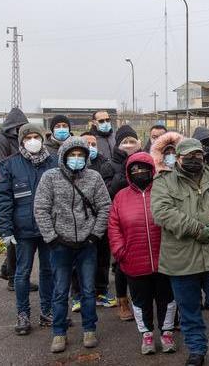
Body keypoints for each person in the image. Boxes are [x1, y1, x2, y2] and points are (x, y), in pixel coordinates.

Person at [151, 138, 209, 366]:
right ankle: (196, 351)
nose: (194, 160)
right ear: (178, 158)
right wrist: (197, 230)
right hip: (182, 260)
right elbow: (162, 212)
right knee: (189, 310)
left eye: (198, 156)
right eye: (189, 157)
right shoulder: (164, 182)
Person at [34, 136, 112, 354]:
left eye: (80, 155)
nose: (76, 158)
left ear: (86, 158)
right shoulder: (50, 177)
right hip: (60, 244)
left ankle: (89, 329)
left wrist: (95, 235)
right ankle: (59, 332)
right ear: (64, 156)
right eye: (72, 155)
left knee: (88, 290)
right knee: (60, 291)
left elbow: (105, 207)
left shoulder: (94, 177)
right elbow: (41, 208)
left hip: (87, 244)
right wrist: (51, 238)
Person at [108, 152, 177, 355]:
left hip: (164, 259)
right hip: (134, 261)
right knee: (140, 301)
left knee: (167, 299)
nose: (140, 172)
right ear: (129, 172)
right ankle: (146, 334)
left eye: (144, 168)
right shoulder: (121, 197)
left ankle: (167, 333)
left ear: (151, 169)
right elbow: (113, 227)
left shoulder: (163, 191)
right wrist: (121, 251)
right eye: (135, 169)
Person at [0, 123, 58, 334]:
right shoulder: (9, 165)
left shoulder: (54, 162)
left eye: (36, 136)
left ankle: (47, 312)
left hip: (48, 228)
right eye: (28, 137)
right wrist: (5, 229)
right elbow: (2, 199)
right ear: (21, 141)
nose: (32, 141)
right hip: (23, 230)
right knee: (22, 273)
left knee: (48, 271)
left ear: (42, 139)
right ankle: (23, 315)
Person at [70, 132, 117, 312]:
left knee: (102, 259)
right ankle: (77, 295)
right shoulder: (72, 166)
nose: (91, 147)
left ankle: (101, 291)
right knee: (77, 262)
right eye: (87, 144)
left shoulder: (105, 164)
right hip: (79, 224)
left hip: (100, 221)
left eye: (93, 144)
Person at [0, 108, 29, 289]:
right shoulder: (0, 140)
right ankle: (13, 278)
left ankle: (7, 269)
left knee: (19, 236)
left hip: (22, 193)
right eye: (19, 126)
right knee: (14, 237)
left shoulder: (22, 140)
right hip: (7, 193)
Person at [108, 125, 142, 318]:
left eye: (132, 141)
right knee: (121, 262)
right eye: (124, 142)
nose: (128, 145)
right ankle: (122, 301)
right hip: (120, 220)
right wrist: (125, 166)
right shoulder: (110, 165)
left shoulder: (145, 160)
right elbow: (111, 191)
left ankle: (141, 300)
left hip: (141, 216)